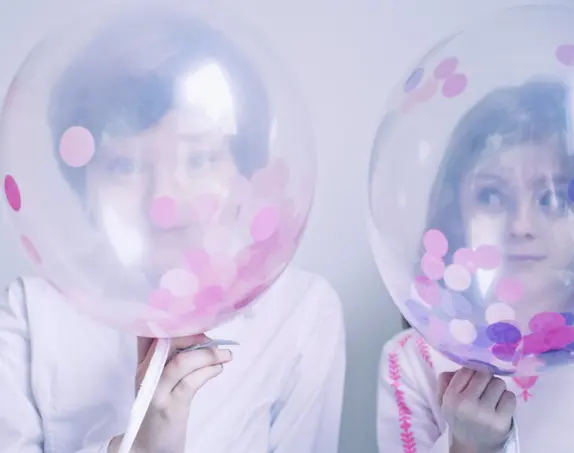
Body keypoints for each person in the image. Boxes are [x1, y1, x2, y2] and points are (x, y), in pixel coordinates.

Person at [0, 12, 346, 453]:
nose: (163, 198)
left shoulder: (302, 312)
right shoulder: (30, 311)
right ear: (83, 182)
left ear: (245, 169)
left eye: (198, 160)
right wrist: (142, 446)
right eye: (124, 165)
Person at [377, 80, 574, 453]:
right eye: (491, 195)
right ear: (455, 212)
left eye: (553, 198)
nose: (521, 226)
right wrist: (468, 445)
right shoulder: (411, 359)